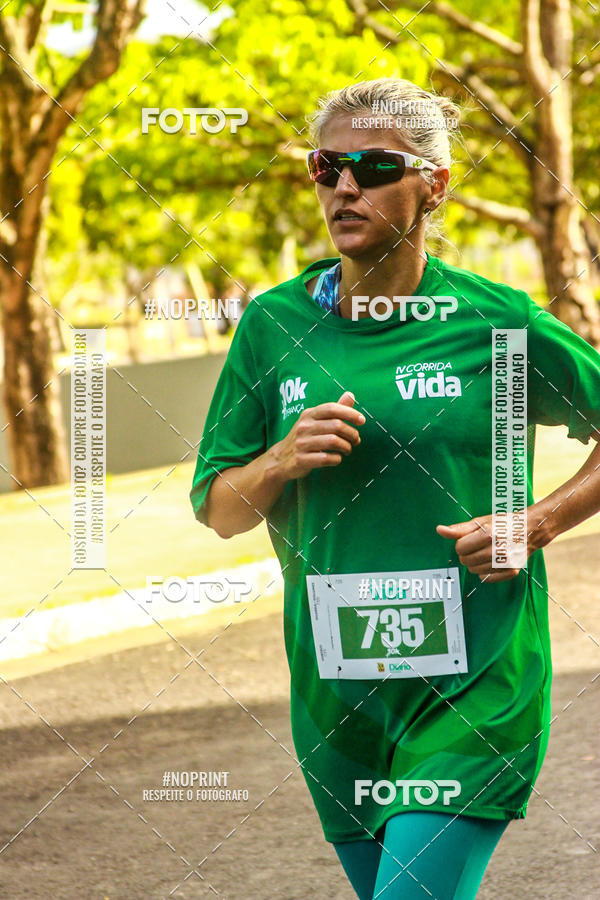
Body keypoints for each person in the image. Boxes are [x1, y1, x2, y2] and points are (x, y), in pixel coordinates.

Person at [190, 78, 600, 898]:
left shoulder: (496, 323)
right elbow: (219, 510)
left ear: (434, 184)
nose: (344, 187)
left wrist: (540, 520)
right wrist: (279, 460)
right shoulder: (275, 325)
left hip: (476, 684)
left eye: (373, 166)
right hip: (338, 693)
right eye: (325, 167)